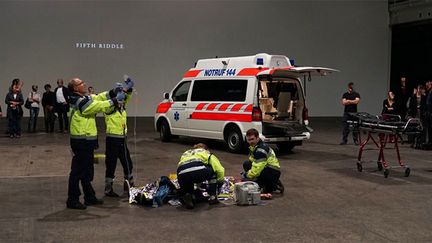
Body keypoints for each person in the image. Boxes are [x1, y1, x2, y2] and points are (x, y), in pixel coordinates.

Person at [66, 78, 125, 210]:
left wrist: (113, 92)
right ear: (75, 88)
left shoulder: (84, 97)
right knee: (77, 172)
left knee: (86, 171)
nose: (84, 84)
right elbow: (95, 106)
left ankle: (89, 197)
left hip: (86, 141)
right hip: (81, 141)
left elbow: (98, 97)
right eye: (81, 83)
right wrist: (114, 100)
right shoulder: (77, 101)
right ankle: (72, 199)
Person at [104, 78, 135, 197]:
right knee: (111, 164)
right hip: (112, 140)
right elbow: (115, 101)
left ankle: (129, 185)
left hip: (122, 139)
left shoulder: (122, 107)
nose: (123, 100)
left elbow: (128, 96)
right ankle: (108, 189)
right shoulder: (110, 108)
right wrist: (119, 93)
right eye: (120, 97)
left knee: (128, 163)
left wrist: (128, 88)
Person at [177, 143, 225, 209]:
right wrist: (220, 182)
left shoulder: (186, 153)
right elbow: (220, 170)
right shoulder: (206, 153)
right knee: (213, 171)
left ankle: (189, 195)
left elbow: (182, 168)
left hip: (181, 174)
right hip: (198, 170)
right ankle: (213, 197)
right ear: (206, 149)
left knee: (189, 177)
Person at [242, 128, 283, 194]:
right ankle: (265, 182)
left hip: (272, 171)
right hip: (266, 168)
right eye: (248, 140)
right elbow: (252, 161)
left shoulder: (261, 149)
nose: (250, 142)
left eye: (252, 139)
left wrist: (246, 175)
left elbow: (257, 168)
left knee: (263, 191)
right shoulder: (254, 147)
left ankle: (274, 185)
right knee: (247, 164)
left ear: (257, 137)